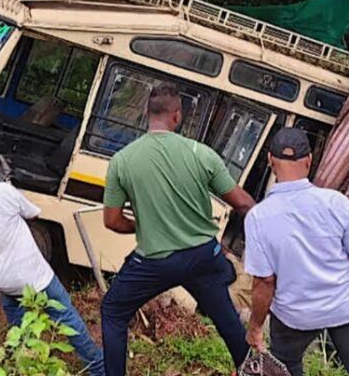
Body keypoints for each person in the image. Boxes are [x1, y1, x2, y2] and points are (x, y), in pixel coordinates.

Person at [100, 83, 255, 376]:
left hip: (155, 262)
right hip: (203, 257)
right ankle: (252, 369)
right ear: (177, 115)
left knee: (113, 311)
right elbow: (244, 204)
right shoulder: (201, 153)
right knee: (227, 320)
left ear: (146, 113)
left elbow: (112, 221)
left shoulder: (122, 160)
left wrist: (145, 226)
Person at [244, 127, 349, 376]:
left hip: (295, 316)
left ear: (270, 160)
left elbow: (264, 282)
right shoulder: (335, 203)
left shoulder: (257, 218)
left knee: (286, 366)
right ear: (309, 160)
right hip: (345, 307)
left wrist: (255, 326)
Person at [0, 155, 105, 376]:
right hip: (35, 275)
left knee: (14, 313)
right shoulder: (3, 191)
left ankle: (22, 361)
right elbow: (34, 213)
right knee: (66, 316)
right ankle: (98, 367)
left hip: (2, 281)